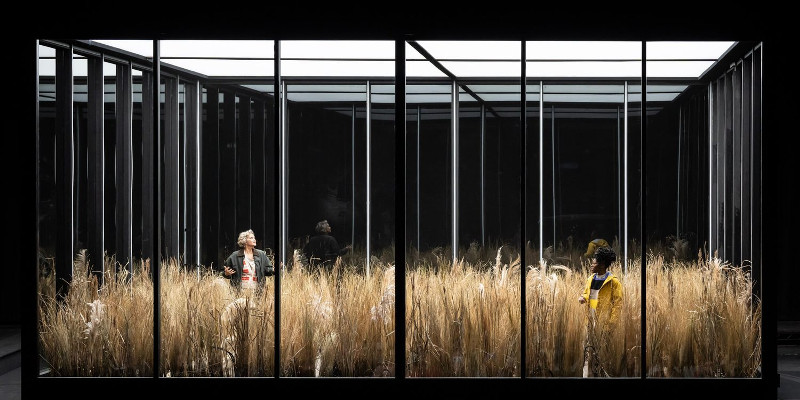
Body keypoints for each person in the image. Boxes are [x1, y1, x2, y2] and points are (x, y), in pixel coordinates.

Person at [578, 245, 623, 377]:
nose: (592, 264)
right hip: (590, 320)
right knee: (588, 351)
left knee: (603, 353)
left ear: (602, 264)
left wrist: (611, 324)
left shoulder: (614, 282)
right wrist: (583, 297)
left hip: (604, 322)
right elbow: (587, 293)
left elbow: (617, 305)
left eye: (595, 262)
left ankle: (603, 374)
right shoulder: (590, 279)